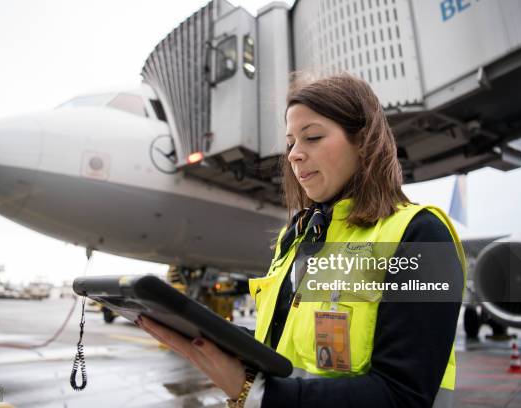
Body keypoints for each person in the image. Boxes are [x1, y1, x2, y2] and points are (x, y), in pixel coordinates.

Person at [137, 73, 465, 408]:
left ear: (364, 141)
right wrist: (215, 340)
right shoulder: (297, 238)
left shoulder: (422, 236)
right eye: (291, 142)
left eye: (312, 137)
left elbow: (404, 396)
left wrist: (260, 395)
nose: (294, 154)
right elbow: (288, 347)